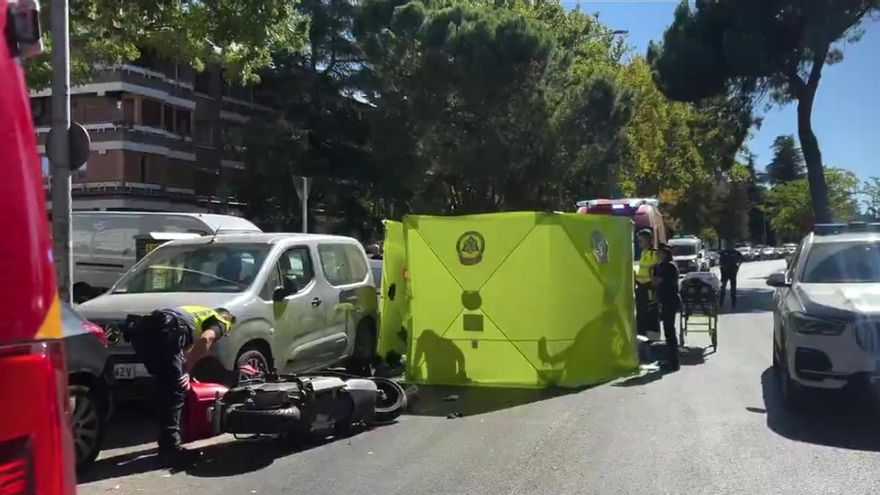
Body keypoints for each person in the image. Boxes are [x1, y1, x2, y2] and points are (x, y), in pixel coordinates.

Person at [124, 306, 235, 468]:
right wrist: (186, 370)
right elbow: (206, 339)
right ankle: (171, 451)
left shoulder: (197, 312)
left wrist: (185, 368)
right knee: (175, 390)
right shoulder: (222, 320)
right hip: (166, 331)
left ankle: (166, 444)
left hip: (141, 330)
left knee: (166, 386)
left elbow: (185, 349)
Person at [653, 245, 681, 371]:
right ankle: (670, 359)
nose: (657, 255)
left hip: (670, 300)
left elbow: (656, 282)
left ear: (665, 254)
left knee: (669, 330)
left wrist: (651, 271)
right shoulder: (661, 266)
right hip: (665, 300)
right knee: (667, 330)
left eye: (659, 253)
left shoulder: (669, 266)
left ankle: (674, 362)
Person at [635, 229, 660, 338]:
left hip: (649, 288)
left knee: (650, 313)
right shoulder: (644, 252)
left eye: (641, 240)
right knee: (641, 314)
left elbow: (655, 271)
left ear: (648, 240)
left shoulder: (654, 253)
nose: (639, 243)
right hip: (641, 287)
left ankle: (651, 338)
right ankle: (642, 336)